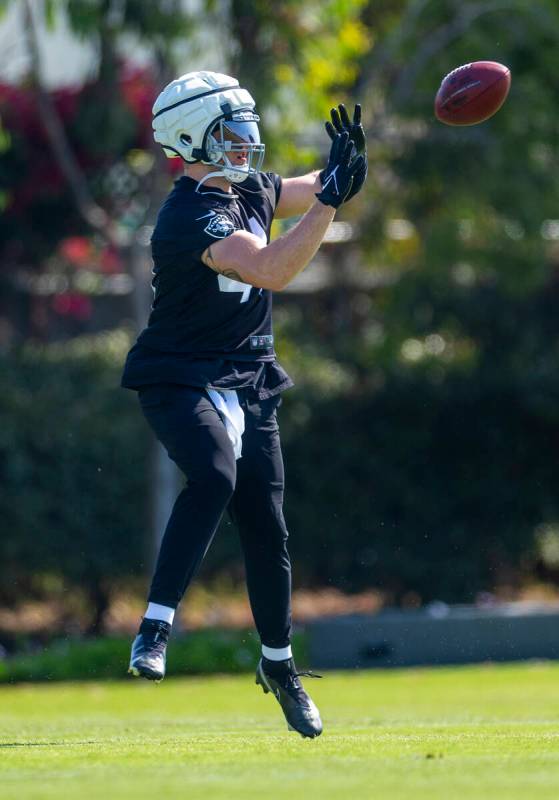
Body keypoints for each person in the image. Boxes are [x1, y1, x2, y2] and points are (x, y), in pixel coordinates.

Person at [121, 70, 367, 739]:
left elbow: (312, 186)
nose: (244, 144)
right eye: (229, 132)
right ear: (190, 138)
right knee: (214, 475)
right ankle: (154, 628)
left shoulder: (251, 189)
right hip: (181, 376)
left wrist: (343, 170)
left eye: (245, 129)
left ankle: (279, 666)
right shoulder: (190, 215)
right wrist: (328, 205)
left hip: (248, 376)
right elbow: (272, 269)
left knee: (266, 523)